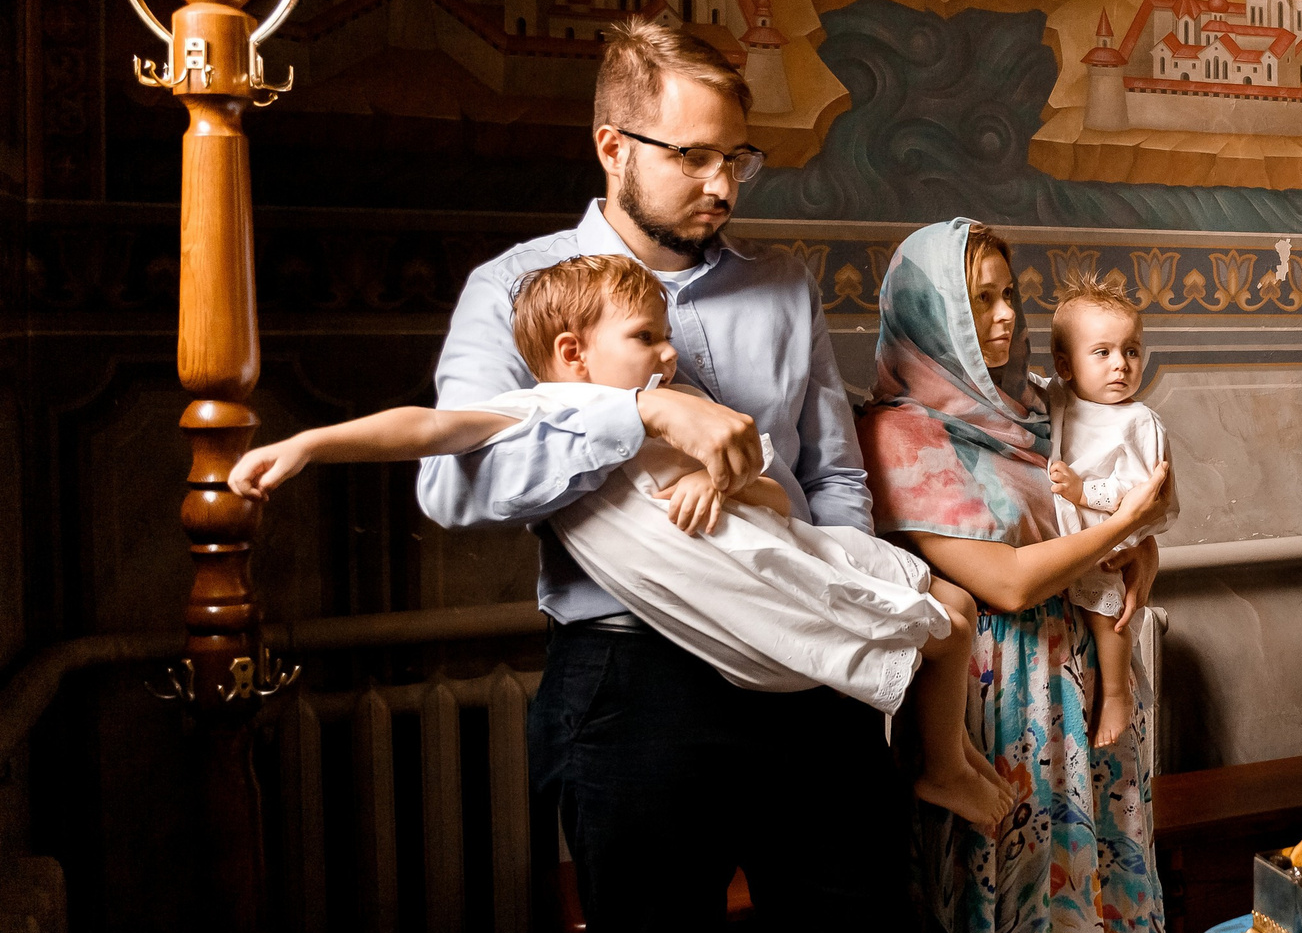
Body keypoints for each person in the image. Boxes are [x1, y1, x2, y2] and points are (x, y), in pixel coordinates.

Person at [416, 17, 913, 933]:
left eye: (736, 157)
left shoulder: (780, 287)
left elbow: (833, 473)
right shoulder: (516, 291)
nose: (721, 183)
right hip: (633, 686)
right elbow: (453, 484)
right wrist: (634, 414)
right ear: (610, 143)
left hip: (809, 675)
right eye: (693, 156)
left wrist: (834, 599)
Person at [231, 252, 1013, 834]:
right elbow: (428, 430)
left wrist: (725, 482)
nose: (669, 354)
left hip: (791, 559)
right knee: (945, 619)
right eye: (647, 336)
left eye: (667, 335)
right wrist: (308, 444)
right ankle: (945, 762)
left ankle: (946, 759)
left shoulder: (691, 406)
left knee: (955, 612)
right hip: (727, 628)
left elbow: (783, 497)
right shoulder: (537, 413)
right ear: (573, 354)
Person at [857, 220, 1173, 933]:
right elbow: (995, 578)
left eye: (1008, 296)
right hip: (992, 694)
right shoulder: (901, 427)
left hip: (1083, 672)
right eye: (977, 298)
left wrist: (1135, 555)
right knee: (1008, 918)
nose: (1000, 318)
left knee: (1096, 904)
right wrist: (1124, 525)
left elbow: (1110, 534)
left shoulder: (1039, 406)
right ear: (928, 311)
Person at [1044, 277, 1181, 753]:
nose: (1120, 365)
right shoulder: (1060, 401)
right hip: (1067, 540)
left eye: (1131, 351)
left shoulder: (1137, 421)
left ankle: (1117, 694)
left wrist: (1085, 491)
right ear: (1066, 365)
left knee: (1111, 614)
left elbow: (1141, 494)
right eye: (1101, 352)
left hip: (1109, 538)